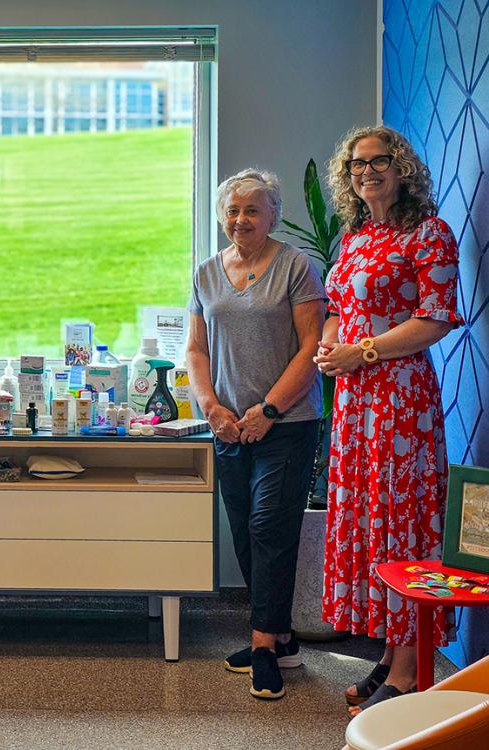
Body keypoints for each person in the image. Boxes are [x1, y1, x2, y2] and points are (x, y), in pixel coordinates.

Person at [316, 126, 463, 715]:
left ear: (402, 168)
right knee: (370, 516)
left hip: (401, 401)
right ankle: (390, 649)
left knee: (401, 516)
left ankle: (409, 666)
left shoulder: (429, 234)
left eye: (380, 161)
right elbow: (337, 309)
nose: (367, 171)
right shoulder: (355, 238)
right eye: (357, 163)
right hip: (354, 400)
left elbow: (435, 319)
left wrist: (364, 352)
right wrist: (332, 348)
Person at [186, 168, 326, 700]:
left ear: (274, 214)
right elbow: (197, 351)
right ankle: (282, 635)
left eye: (252, 210)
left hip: (286, 424)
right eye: (233, 210)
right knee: (245, 530)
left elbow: (311, 347)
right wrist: (212, 407)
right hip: (228, 426)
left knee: (270, 525)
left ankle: (263, 646)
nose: (240, 220)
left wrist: (268, 409)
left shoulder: (295, 266)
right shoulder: (205, 272)